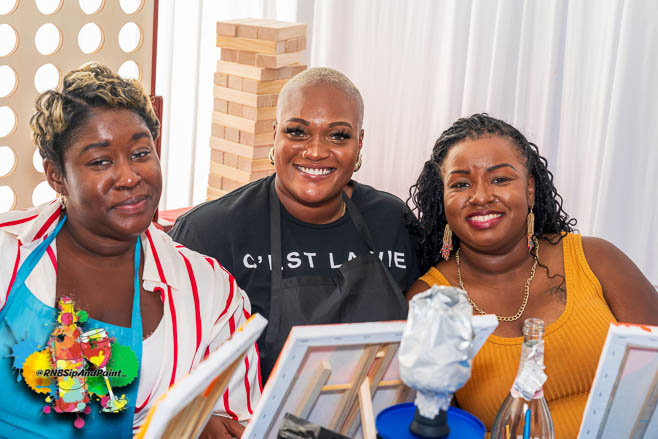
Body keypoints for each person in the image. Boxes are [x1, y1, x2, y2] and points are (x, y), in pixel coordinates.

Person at [0, 63, 259, 438]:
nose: (129, 177)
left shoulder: (210, 292)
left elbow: (238, 420)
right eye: (101, 161)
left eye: (140, 153)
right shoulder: (8, 252)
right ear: (56, 175)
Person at [406, 113, 658, 437]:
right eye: (461, 184)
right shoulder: (429, 301)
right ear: (443, 199)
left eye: (500, 179)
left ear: (529, 189)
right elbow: (435, 426)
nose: (481, 196)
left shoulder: (597, 259)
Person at [170, 67, 420, 381]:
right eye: (297, 132)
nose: (315, 151)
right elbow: (175, 365)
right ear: (275, 135)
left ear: (359, 143)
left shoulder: (393, 221)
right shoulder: (210, 233)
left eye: (338, 135)